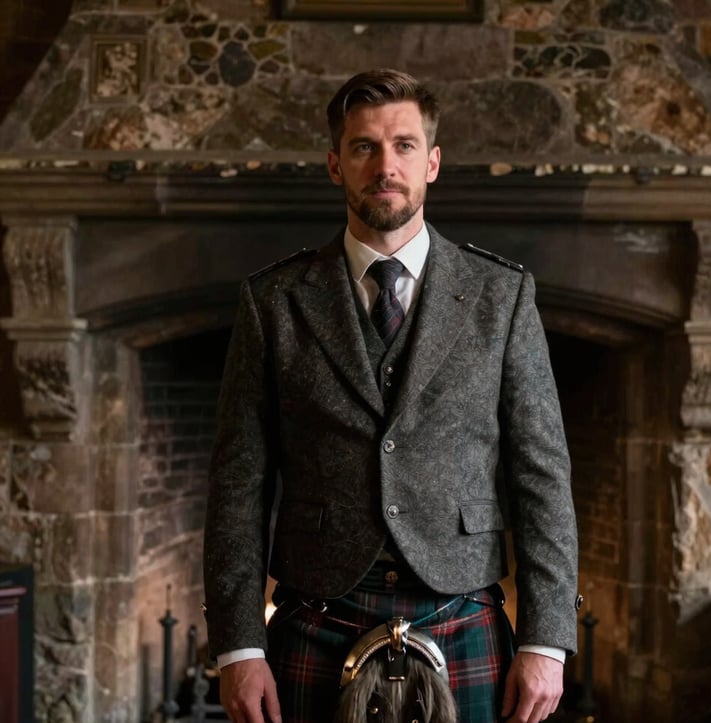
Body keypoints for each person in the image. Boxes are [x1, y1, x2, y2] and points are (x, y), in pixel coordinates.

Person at [203, 68, 580, 723]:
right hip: (314, 617)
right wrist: (238, 645)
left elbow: (542, 471)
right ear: (334, 164)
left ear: (432, 162)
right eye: (364, 147)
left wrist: (547, 639)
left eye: (404, 145)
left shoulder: (501, 296)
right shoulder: (274, 302)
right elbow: (239, 485)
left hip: (463, 613)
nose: (386, 165)